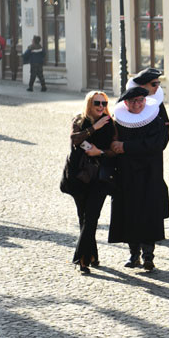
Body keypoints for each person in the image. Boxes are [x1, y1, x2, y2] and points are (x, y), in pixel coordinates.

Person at [108, 86, 169, 271]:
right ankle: (134, 254)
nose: (137, 104)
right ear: (125, 103)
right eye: (133, 101)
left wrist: (126, 147)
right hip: (125, 175)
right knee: (129, 214)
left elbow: (157, 144)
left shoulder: (155, 120)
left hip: (149, 174)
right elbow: (111, 143)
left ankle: (149, 255)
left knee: (149, 214)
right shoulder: (118, 122)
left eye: (140, 100)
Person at [59, 91, 115, 274]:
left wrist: (99, 152)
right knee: (83, 217)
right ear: (89, 104)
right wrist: (94, 127)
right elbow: (75, 139)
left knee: (91, 217)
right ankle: (92, 254)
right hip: (79, 177)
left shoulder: (111, 123)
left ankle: (82, 259)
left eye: (104, 103)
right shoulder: (80, 120)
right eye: (97, 103)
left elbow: (114, 150)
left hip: (100, 177)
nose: (101, 107)